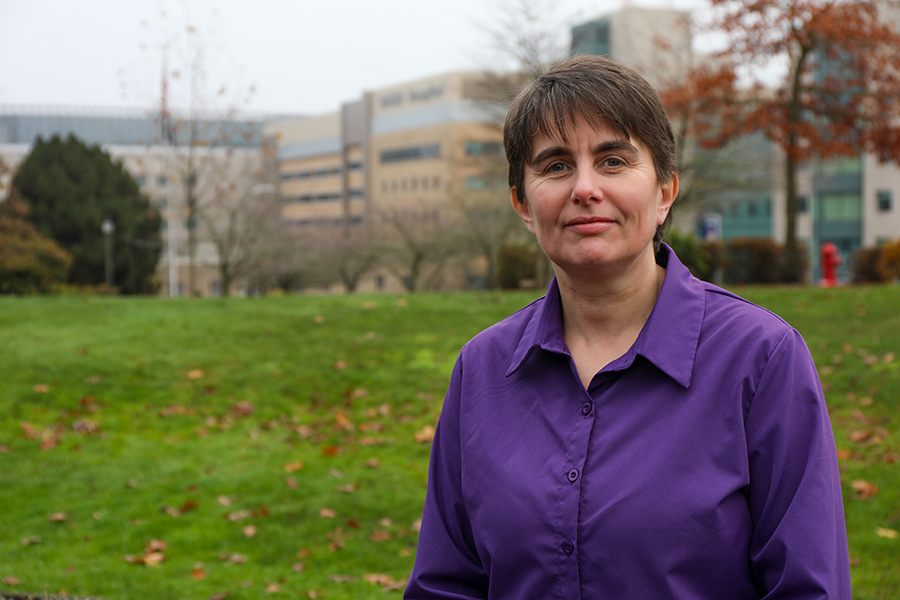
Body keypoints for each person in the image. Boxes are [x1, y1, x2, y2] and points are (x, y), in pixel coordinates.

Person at [403, 55, 851, 599]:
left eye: (613, 161)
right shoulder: (483, 369)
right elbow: (446, 586)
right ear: (523, 203)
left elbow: (809, 588)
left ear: (664, 191)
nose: (585, 188)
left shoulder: (761, 359)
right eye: (556, 165)